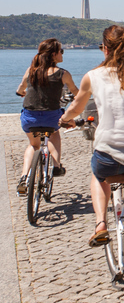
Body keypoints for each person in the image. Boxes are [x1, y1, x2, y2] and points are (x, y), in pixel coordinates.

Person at [60, 25, 124, 259]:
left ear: (105, 49)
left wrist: (64, 119)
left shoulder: (93, 76)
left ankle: (100, 225)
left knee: (97, 174)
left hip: (109, 158)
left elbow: (76, 107)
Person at [15, 39, 79, 195]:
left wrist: (23, 92)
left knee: (33, 145)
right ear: (54, 54)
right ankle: (56, 166)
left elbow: (20, 90)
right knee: (55, 133)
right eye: (61, 51)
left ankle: (24, 177)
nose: (62, 54)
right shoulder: (63, 74)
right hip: (52, 117)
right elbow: (78, 94)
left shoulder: (31, 71)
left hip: (30, 117)